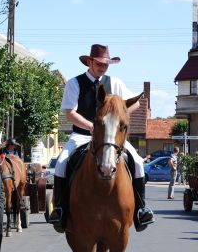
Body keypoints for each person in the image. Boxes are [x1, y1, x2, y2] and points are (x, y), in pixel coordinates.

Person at [48, 44, 155, 233]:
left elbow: (136, 103)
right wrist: (91, 126)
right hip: (82, 135)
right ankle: (61, 209)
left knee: (137, 162)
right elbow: (70, 113)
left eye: (106, 64)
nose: (103, 67)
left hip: (111, 137)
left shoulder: (114, 82)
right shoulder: (74, 83)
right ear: (89, 61)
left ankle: (140, 210)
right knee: (61, 163)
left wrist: (118, 118)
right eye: (99, 63)